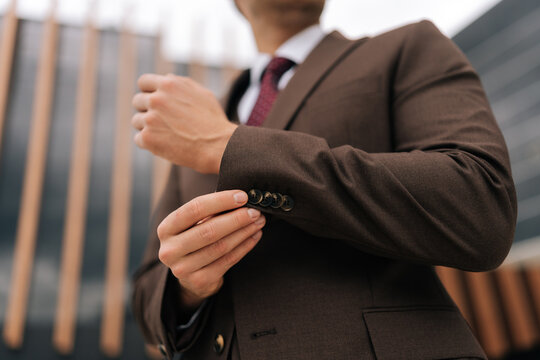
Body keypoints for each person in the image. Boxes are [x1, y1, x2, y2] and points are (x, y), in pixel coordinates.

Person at [130, 0, 517, 359]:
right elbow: (148, 290)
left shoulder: (407, 47)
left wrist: (228, 144)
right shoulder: (197, 121)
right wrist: (186, 288)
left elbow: (481, 203)